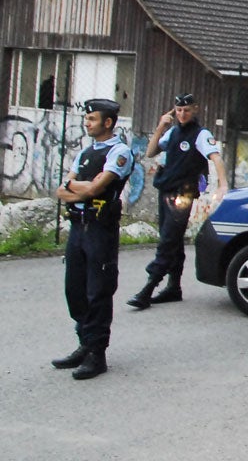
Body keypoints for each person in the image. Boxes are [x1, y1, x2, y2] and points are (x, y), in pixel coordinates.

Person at [52, 98, 134, 380]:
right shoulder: (86, 153)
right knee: (74, 289)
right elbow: (61, 190)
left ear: (108, 122)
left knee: (98, 290)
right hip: (78, 227)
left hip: (100, 228)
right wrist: (79, 189)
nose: (87, 123)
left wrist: (77, 188)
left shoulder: (120, 152)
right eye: (87, 119)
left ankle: (97, 354)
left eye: (92, 119)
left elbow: (97, 188)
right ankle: (84, 343)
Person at [127, 92, 227, 309]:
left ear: (195, 110)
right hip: (166, 191)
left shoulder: (201, 135)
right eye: (179, 110)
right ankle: (174, 287)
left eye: (187, 110)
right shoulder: (172, 133)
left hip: (184, 194)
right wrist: (160, 127)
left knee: (167, 241)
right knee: (170, 238)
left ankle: (148, 288)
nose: (182, 114)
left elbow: (216, 158)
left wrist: (223, 185)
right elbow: (151, 151)